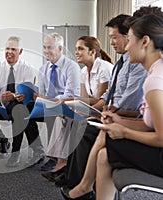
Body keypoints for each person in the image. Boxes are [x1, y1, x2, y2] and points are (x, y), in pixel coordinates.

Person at [59, 14, 147, 194]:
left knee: (84, 128)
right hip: (115, 113)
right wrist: (101, 107)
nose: (112, 42)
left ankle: (78, 185)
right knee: (78, 123)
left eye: (115, 37)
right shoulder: (120, 63)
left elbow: (130, 103)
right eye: (111, 38)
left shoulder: (136, 64)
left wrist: (107, 110)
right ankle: (72, 178)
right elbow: (109, 94)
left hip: (126, 116)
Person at [94, 9, 163, 200]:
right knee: (104, 153)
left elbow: (161, 137)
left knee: (108, 146)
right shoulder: (156, 72)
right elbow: (151, 124)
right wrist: (119, 121)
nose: (127, 47)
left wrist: (124, 132)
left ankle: (84, 188)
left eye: (130, 40)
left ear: (145, 41)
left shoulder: (155, 80)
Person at [41, 36, 113, 182]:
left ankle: (65, 166)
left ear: (92, 52)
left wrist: (71, 102)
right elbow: (84, 98)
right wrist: (71, 105)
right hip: (92, 108)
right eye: (76, 49)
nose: (77, 52)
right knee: (62, 115)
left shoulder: (104, 68)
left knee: (70, 115)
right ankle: (61, 163)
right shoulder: (83, 72)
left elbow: (99, 101)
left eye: (81, 49)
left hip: (104, 111)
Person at [0, 36, 44, 167]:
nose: (9, 52)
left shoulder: (28, 68)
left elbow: (26, 95)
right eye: (7, 48)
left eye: (13, 49)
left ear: (20, 51)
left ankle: (16, 152)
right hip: (1, 105)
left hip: (20, 105)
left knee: (19, 109)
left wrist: (15, 96)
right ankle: (2, 140)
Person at [37, 32, 81, 171]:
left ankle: (54, 157)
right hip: (49, 104)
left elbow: (71, 93)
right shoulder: (43, 69)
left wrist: (53, 101)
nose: (46, 51)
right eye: (44, 47)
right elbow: (41, 93)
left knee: (54, 113)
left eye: (49, 47)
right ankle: (39, 151)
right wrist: (43, 99)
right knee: (22, 111)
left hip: (68, 103)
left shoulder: (71, 66)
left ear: (60, 48)